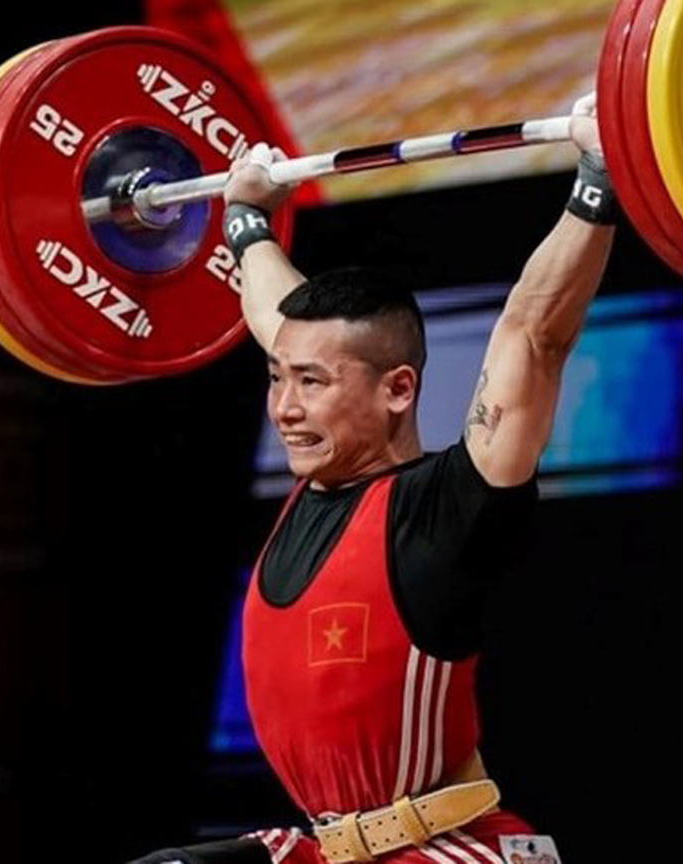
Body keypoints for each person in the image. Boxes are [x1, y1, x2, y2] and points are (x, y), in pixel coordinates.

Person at [138, 94, 615, 864]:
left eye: (312, 385)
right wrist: (246, 219)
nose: (285, 410)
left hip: (451, 848)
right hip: (329, 848)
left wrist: (599, 178)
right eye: (276, 380)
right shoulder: (316, 463)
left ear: (397, 389)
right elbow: (282, 323)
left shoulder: (445, 510)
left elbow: (535, 332)